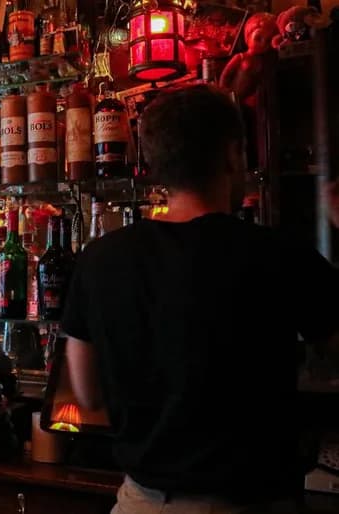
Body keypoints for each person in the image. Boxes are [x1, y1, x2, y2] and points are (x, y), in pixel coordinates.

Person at [62, 84, 339, 514]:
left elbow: (86, 394)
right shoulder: (279, 253)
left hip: (141, 503)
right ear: (232, 154)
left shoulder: (99, 259)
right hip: (252, 503)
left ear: (154, 162)